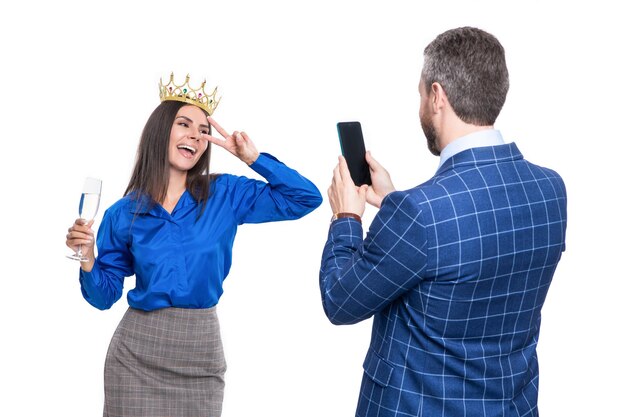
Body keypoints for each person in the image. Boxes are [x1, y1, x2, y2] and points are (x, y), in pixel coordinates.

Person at [320, 27, 567, 416]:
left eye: (420, 94)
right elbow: (464, 246)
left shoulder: (420, 213)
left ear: (437, 96)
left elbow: (341, 300)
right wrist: (391, 204)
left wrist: (346, 216)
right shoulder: (551, 190)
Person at [65, 73, 322, 417]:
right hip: (136, 355)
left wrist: (251, 157)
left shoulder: (226, 194)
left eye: (203, 130)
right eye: (184, 124)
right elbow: (103, 296)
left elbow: (305, 198)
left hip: (200, 354)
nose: (195, 136)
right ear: (160, 131)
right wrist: (88, 259)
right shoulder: (123, 213)